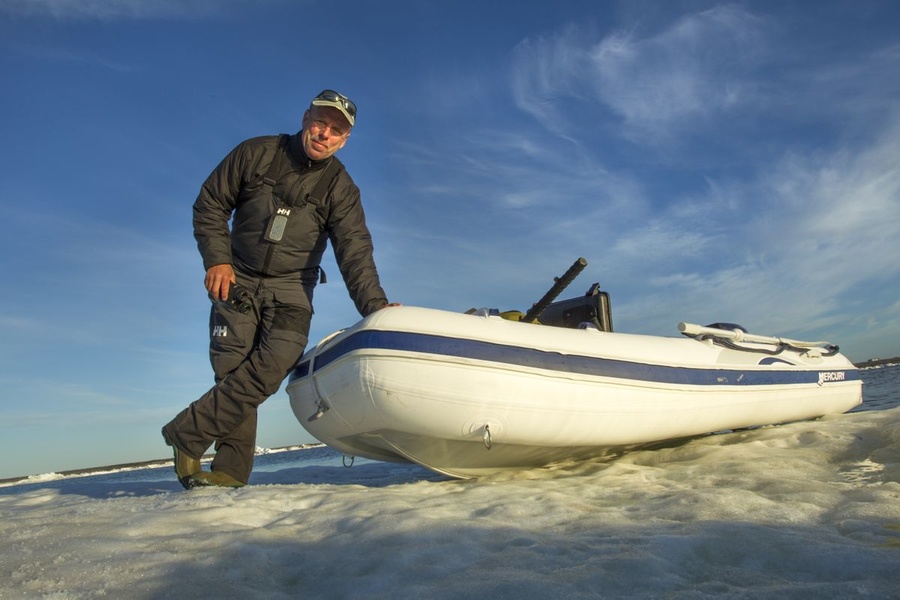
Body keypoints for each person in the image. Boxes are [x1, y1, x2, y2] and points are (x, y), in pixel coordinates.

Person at [162, 89, 393, 488]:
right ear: (306, 118)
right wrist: (217, 260)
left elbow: (354, 250)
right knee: (232, 371)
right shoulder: (256, 153)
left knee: (272, 366)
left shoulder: (341, 188)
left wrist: (377, 307)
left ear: (345, 141)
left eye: (336, 130)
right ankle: (230, 472)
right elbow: (211, 204)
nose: (325, 133)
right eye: (321, 122)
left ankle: (189, 431)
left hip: (292, 289)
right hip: (236, 278)